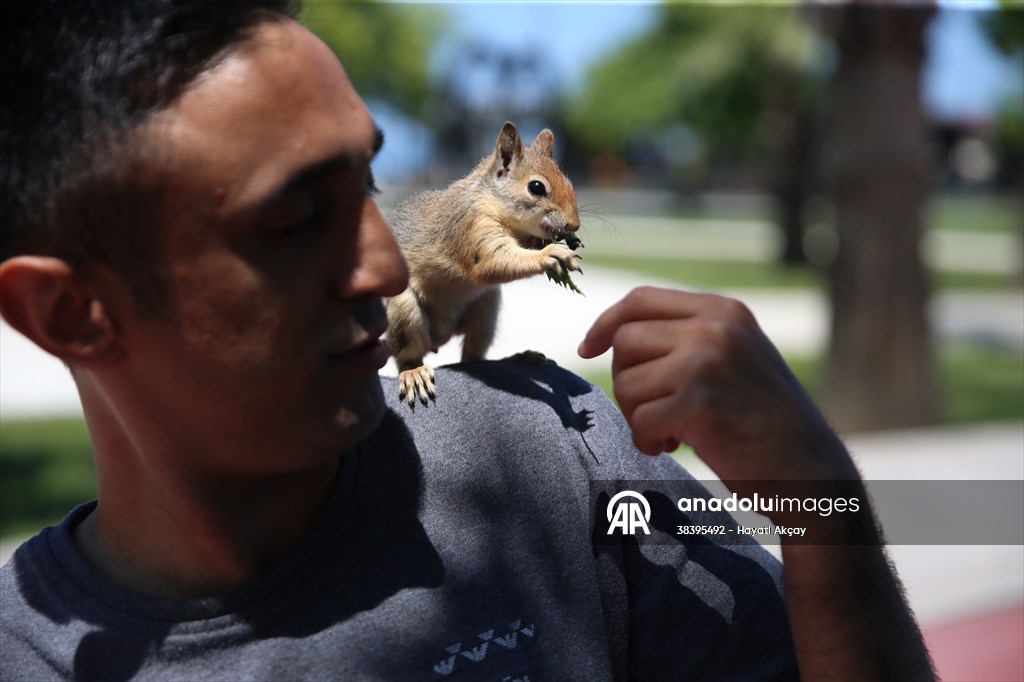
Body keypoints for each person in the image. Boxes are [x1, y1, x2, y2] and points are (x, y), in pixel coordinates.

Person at [0, 2, 934, 680]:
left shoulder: (555, 445)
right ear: (68, 315)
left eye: (365, 185)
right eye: (292, 220)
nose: (379, 261)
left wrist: (822, 503)